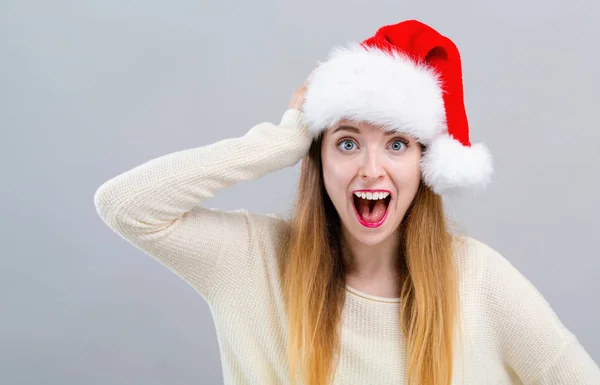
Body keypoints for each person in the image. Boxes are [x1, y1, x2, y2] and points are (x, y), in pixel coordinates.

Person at [93, 19, 600, 385]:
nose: (371, 169)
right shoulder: (249, 261)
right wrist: (283, 139)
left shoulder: (480, 281)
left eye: (397, 144)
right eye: (347, 142)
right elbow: (126, 204)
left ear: (425, 165)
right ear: (319, 158)